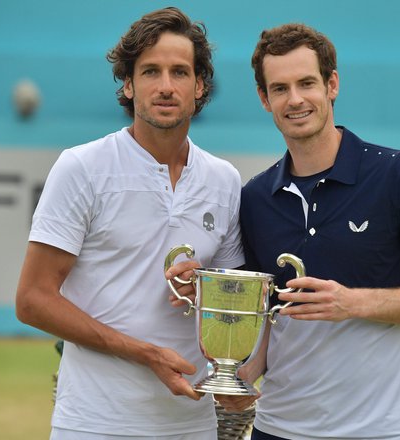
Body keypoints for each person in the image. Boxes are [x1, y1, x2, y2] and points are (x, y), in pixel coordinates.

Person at [216, 23, 400, 440]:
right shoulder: (256, 197)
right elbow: (268, 317)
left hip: (379, 430)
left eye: (307, 83)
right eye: (279, 88)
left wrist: (351, 302)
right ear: (264, 99)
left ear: (332, 85)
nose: (295, 99)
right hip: (276, 427)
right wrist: (241, 375)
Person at [15, 7, 244, 440]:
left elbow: (229, 308)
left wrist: (208, 285)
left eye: (179, 72)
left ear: (199, 86)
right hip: (93, 423)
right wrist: (145, 354)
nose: (164, 86)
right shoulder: (82, 167)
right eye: (150, 71)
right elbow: (31, 300)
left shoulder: (224, 180)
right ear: (128, 83)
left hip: (193, 423)